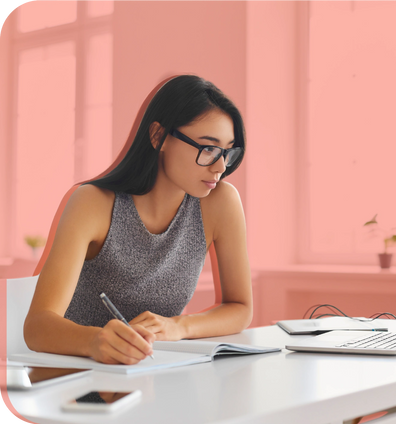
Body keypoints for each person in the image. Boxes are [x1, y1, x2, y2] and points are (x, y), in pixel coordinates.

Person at [24, 75, 252, 365]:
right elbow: (37, 327)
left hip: (154, 373)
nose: (220, 166)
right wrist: (95, 341)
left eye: (227, 152)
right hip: (79, 377)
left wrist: (179, 326)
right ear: (158, 136)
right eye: (207, 148)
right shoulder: (92, 203)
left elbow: (240, 307)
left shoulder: (220, 202)